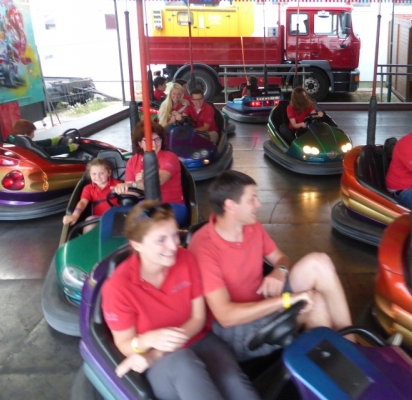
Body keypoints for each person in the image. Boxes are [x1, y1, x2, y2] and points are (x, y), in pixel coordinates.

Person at [188, 170, 353, 361]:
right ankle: (332, 366)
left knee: (319, 262)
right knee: (316, 302)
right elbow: (226, 316)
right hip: (238, 330)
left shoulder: (251, 226)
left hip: (265, 299)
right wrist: (286, 300)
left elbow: (281, 258)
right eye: (252, 199)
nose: (258, 204)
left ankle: (352, 346)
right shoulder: (204, 247)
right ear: (230, 205)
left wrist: (279, 271)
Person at [101, 202, 259, 400]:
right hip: (161, 365)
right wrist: (148, 340)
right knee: (184, 364)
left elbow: (198, 318)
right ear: (137, 244)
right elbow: (124, 343)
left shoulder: (186, 259)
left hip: (196, 340)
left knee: (235, 384)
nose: (173, 245)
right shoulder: (118, 288)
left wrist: (158, 351)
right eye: (161, 240)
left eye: (175, 235)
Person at [114, 121, 188, 225]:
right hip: (146, 206)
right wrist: (122, 188)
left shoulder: (169, 157)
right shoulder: (133, 161)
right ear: (140, 143)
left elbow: (158, 181)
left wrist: (136, 183)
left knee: (149, 225)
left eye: (157, 139)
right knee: (124, 223)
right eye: (148, 140)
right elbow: (132, 192)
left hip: (172, 205)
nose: (154, 144)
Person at [63, 158, 121, 233]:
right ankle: (87, 240)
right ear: (89, 175)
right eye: (94, 174)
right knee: (89, 220)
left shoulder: (118, 184)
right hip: (99, 219)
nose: (97, 177)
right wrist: (75, 215)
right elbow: (83, 202)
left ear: (109, 173)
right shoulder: (88, 188)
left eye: (101, 173)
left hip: (117, 217)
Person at [10, 119, 79, 156]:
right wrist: (69, 148)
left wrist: (54, 140)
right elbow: (48, 151)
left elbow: (38, 143)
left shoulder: (19, 141)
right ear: (26, 134)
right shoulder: (26, 145)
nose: (34, 135)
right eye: (32, 133)